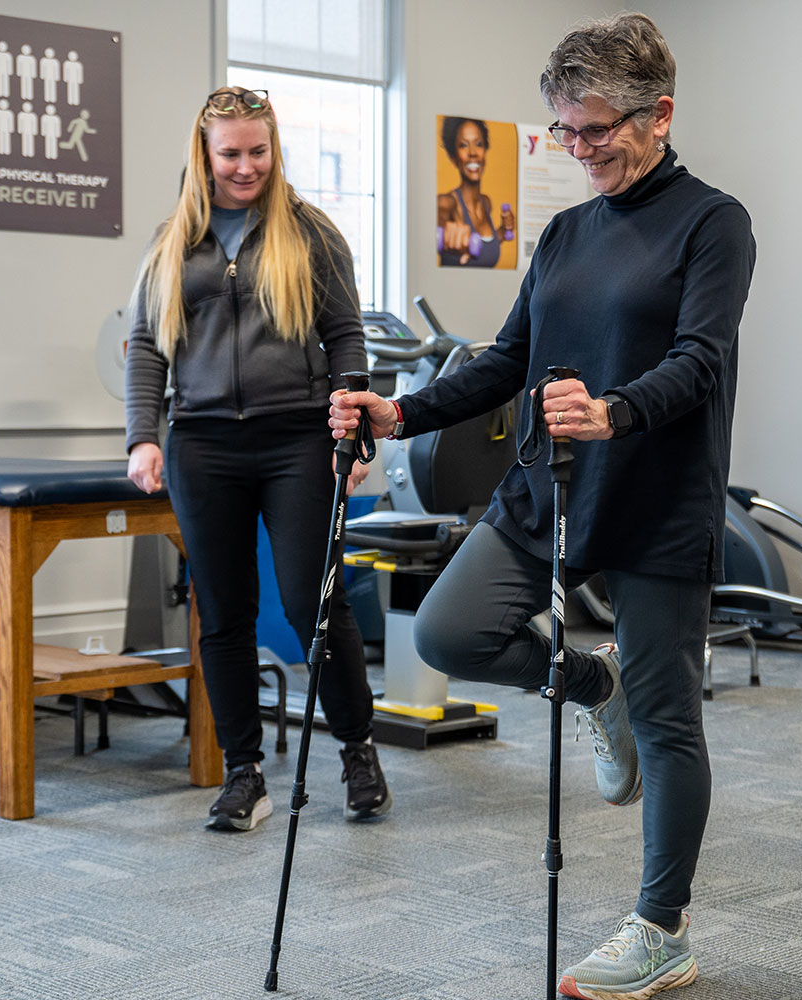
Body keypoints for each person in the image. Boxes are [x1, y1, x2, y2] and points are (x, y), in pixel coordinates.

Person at [332, 14, 754, 999]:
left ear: (659, 114)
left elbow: (700, 359)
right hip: (548, 484)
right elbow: (509, 360)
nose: (578, 148)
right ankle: (590, 685)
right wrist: (402, 411)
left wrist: (614, 411)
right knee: (449, 630)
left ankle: (661, 928)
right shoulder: (566, 232)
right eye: (565, 130)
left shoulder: (712, 222)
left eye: (595, 128)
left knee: (669, 720)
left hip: (656, 495)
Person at [125, 86, 391, 833]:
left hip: (296, 440)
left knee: (314, 600)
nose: (246, 167)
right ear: (204, 155)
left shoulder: (310, 234)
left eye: (258, 151)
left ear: (275, 150)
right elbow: (146, 347)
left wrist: (351, 434)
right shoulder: (173, 241)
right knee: (223, 611)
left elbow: (346, 338)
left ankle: (358, 751)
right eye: (230, 154)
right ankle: (244, 771)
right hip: (203, 443)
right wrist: (143, 436)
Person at [436, 116, 515, 267]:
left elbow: (484, 247)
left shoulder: (486, 202)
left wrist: (503, 230)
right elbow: (439, 219)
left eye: (478, 144)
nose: (472, 152)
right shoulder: (447, 203)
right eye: (463, 145)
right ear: (454, 156)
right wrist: (447, 235)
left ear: (484, 151)